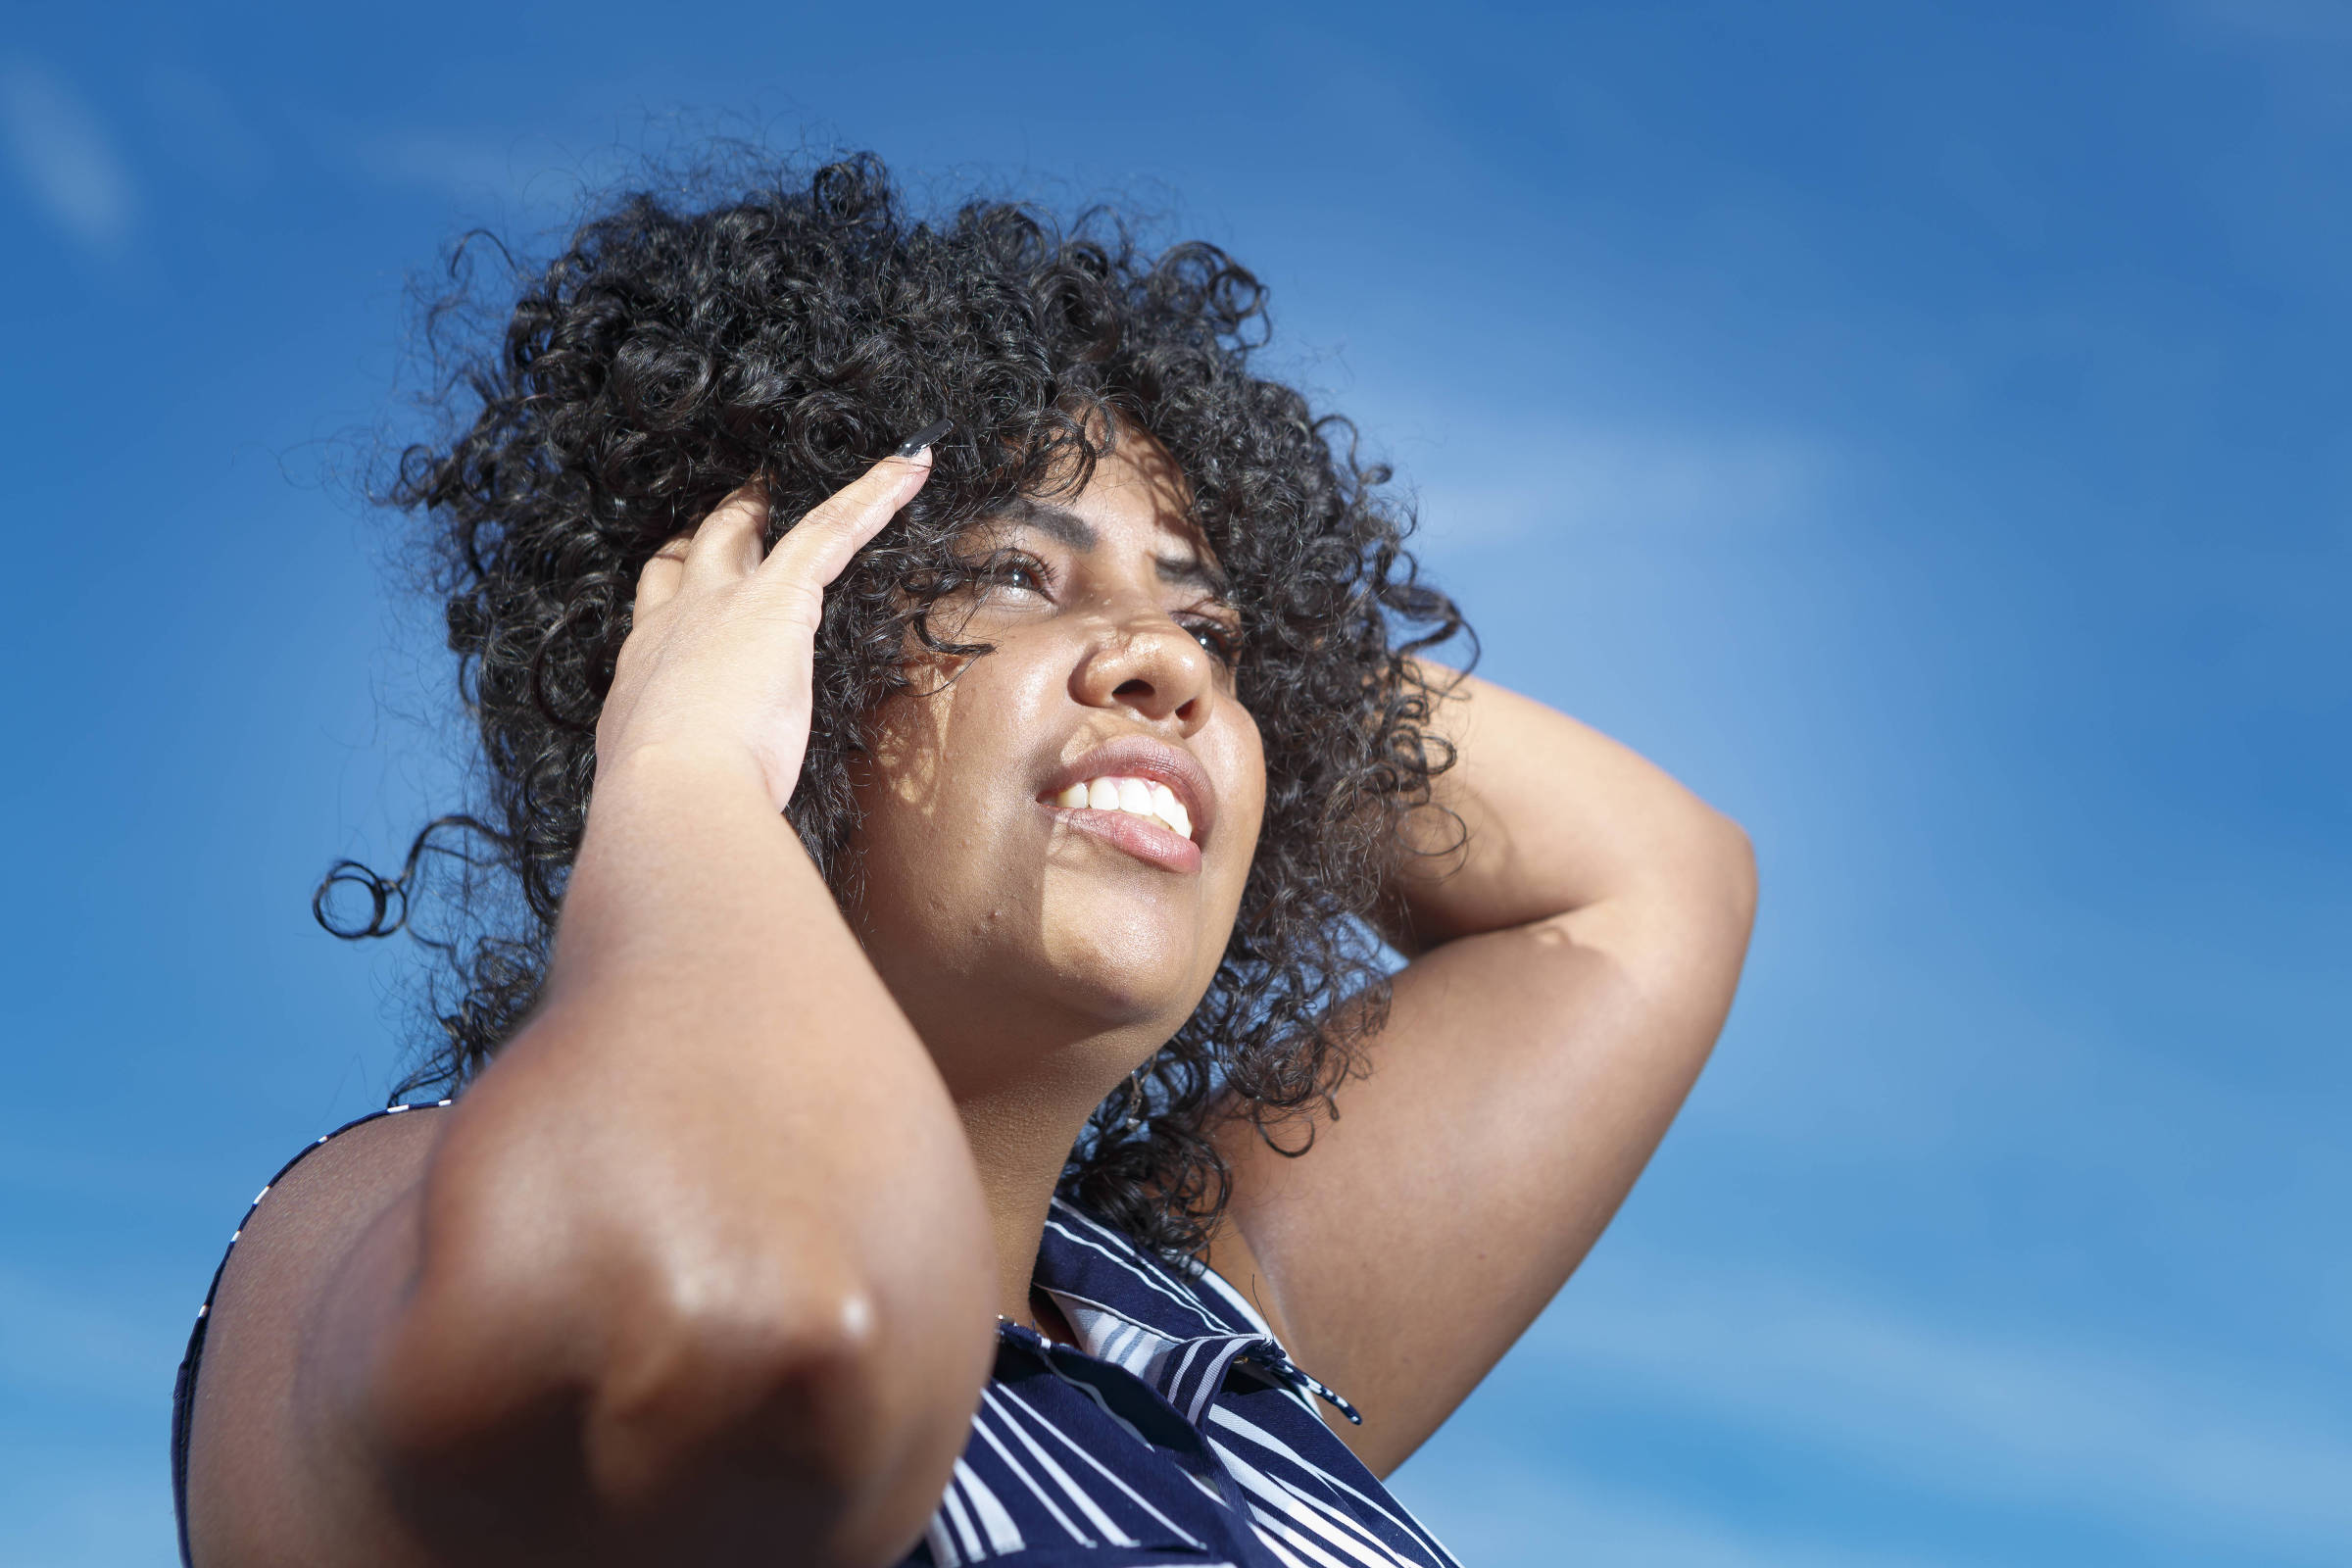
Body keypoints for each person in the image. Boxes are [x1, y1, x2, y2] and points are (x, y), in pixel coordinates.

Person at [170, 153, 1756, 1568]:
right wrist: (683, 761)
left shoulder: (1200, 1334)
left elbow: (1642, 887)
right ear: (779, 643)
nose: (1170, 661)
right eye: (1005, 573)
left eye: (1214, 634)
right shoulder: (402, 1217)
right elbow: (739, 1309)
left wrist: (1283, 667)